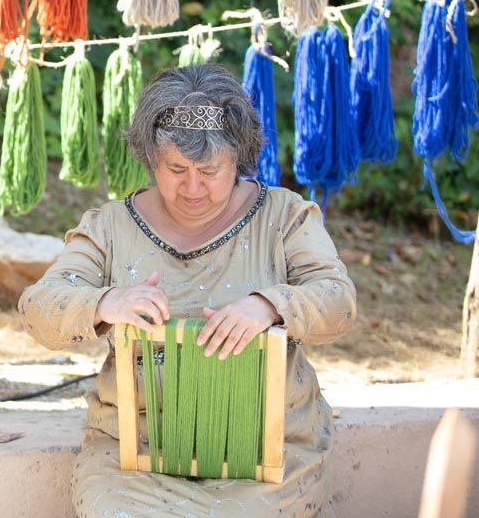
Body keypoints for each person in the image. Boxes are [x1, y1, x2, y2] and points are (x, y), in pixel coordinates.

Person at [19, 63, 357, 517]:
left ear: (237, 158)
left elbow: (338, 299)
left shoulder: (284, 218)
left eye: (210, 169)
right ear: (151, 159)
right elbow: (39, 306)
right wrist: (105, 302)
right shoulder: (111, 228)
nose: (193, 187)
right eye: (176, 168)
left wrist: (269, 305)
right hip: (134, 458)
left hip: (266, 457)